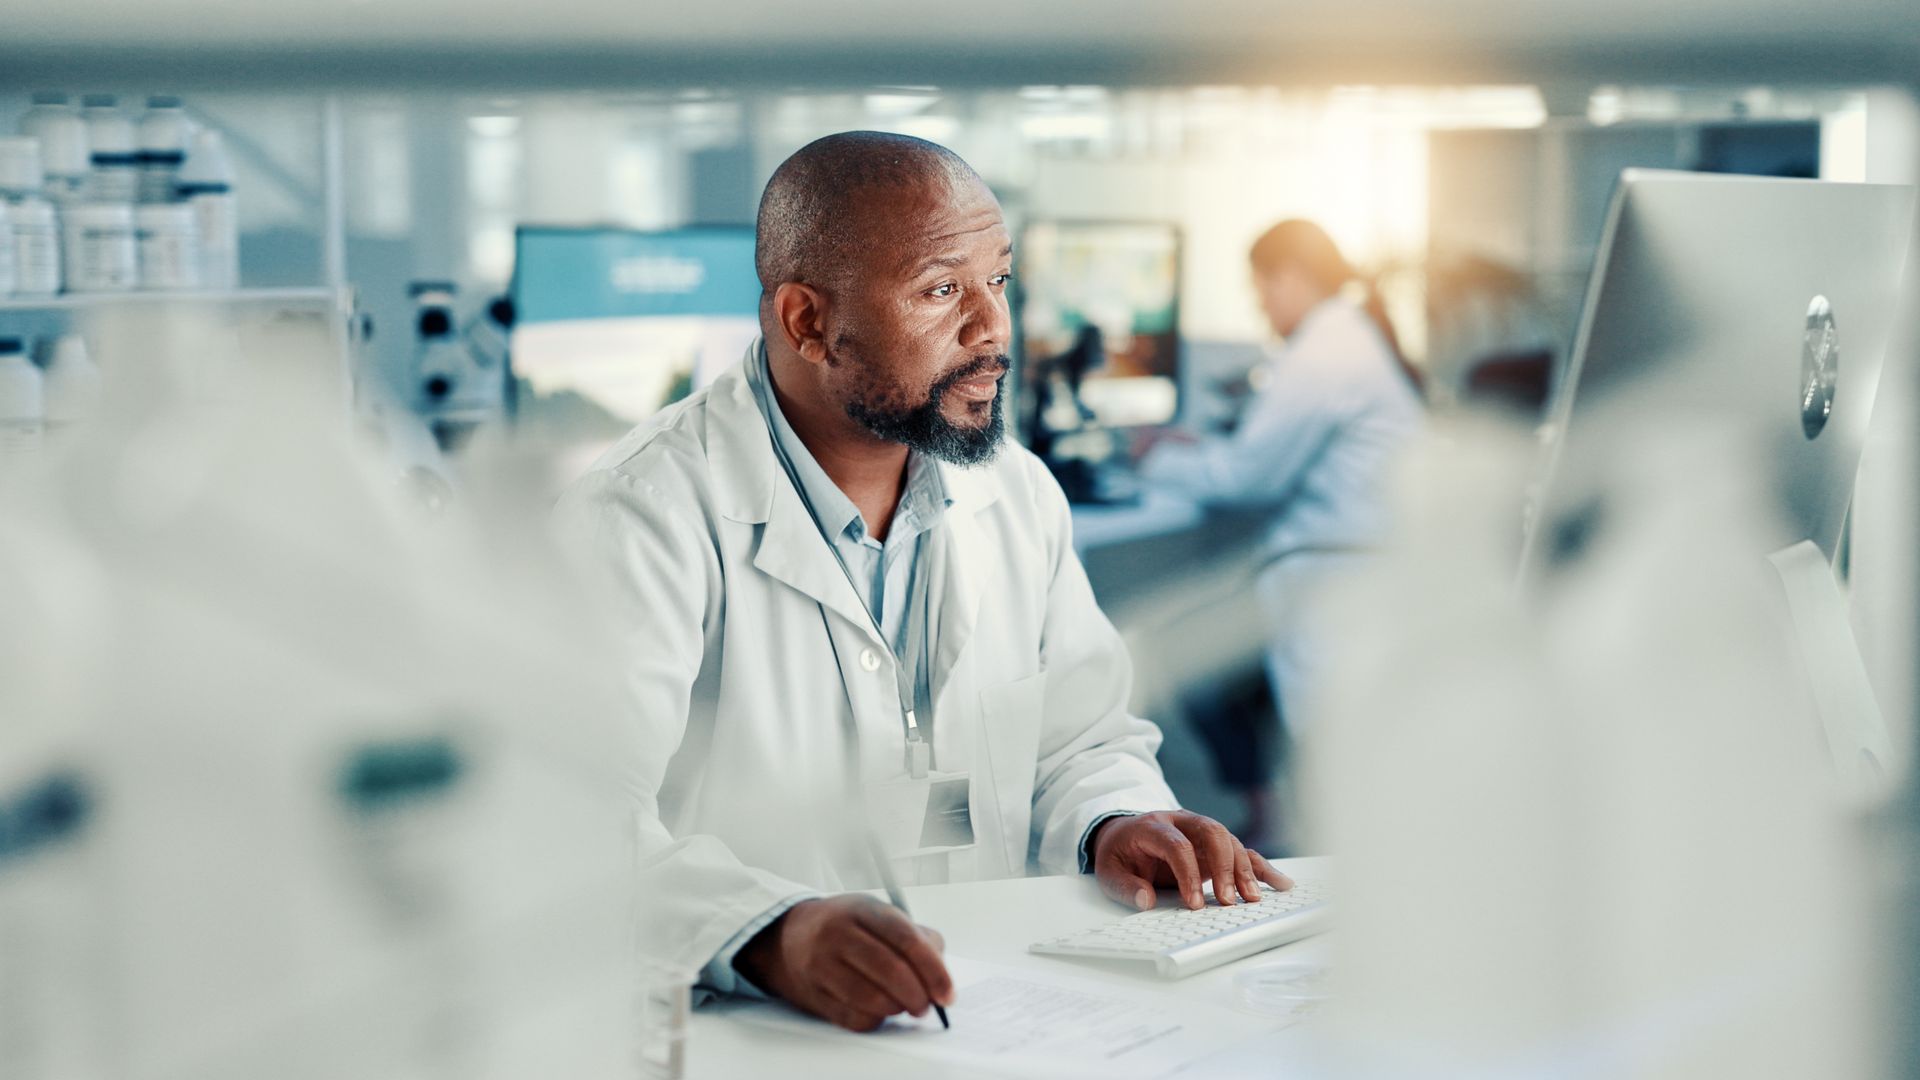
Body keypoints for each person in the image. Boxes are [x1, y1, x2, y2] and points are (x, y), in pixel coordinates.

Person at [556, 132, 1290, 1035]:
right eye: (944, 290)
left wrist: (1118, 820)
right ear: (806, 322)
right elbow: (567, 828)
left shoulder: (1015, 495)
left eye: (1001, 282)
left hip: (992, 1018)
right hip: (754, 1036)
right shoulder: (640, 518)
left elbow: (1080, 741)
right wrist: (766, 934)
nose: (994, 329)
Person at [1135, 220, 1424, 839]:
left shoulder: (1325, 351)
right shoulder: (1344, 335)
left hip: (1334, 573)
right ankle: (1270, 811)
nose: (1260, 303)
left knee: (1189, 655)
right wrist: (1205, 448)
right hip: (1341, 563)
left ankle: (1272, 814)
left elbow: (1249, 476)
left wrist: (1152, 458)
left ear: (1291, 276)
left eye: (1261, 286)